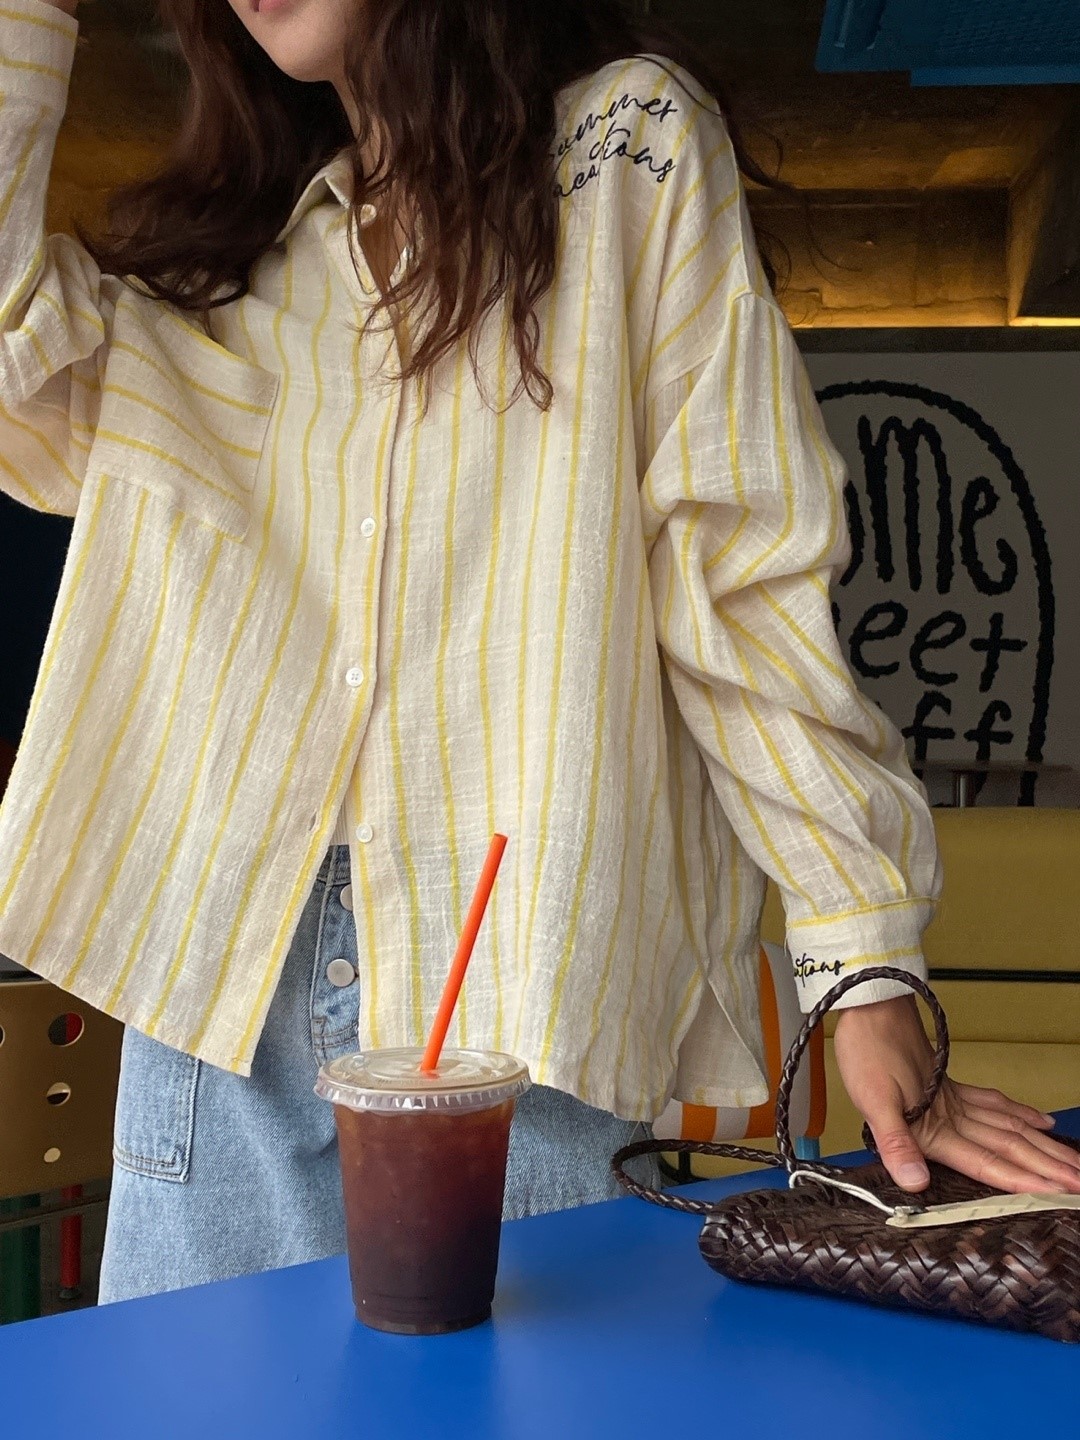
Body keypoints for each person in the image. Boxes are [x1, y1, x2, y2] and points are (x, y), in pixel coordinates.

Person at [3, 0, 1078, 1304]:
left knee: (531, 1395)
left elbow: (739, 582)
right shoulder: (230, 263)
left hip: (520, 992)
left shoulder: (627, 147)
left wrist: (865, 966)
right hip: (221, 998)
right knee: (193, 1402)